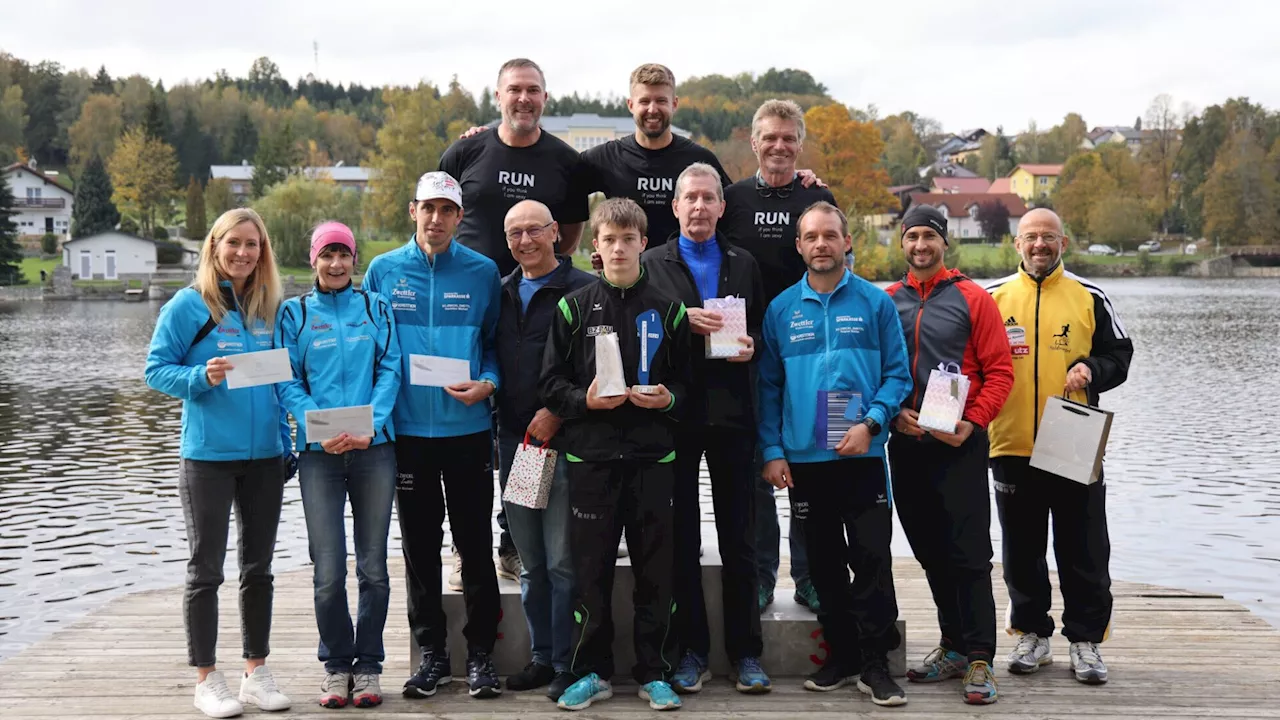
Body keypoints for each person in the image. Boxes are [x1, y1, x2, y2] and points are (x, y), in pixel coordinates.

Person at [440, 57, 594, 582]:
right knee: (469, 425)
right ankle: (469, 546)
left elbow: (570, 230)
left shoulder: (564, 161)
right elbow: (439, 210)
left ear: (544, 98)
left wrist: (539, 266)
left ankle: (519, 542)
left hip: (535, 302)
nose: (523, 99)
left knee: (528, 412)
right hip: (469, 307)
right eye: (514, 90)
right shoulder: (467, 149)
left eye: (533, 91)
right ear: (498, 96)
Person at [757, 201, 911, 707]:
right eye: (811, 236)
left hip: (862, 456)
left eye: (830, 235)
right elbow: (768, 388)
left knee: (870, 560)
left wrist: (871, 424)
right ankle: (841, 657)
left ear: (847, 242)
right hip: (805, 460)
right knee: (822, 565)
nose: (821, 244)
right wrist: (774, 451)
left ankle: (875, 664)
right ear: (799, 246)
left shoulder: (875, 303)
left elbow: (898, 376)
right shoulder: (780, 311)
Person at [539, 197, 690, 711]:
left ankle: (655, 672)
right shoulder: (574, 308)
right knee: (591, 572)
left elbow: (691, 387)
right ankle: (592, 671)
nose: (620, 248)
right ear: (596, 248)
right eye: (610, 240)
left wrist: (668, 397)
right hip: (592, 461)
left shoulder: (669, 310)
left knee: (656, 572)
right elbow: (551, 384)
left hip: (653, 461)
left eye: (629, 239)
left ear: (644, 243)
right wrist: (585, 400)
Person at [143, 207, 293, 719]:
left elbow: (280, 383)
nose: (243, 253)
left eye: (253, 244)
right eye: (234, 243)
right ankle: (207, 679)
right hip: (207, 457)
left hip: (266, 459)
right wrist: (197, 379)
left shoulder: (270, 307)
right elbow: (155, 370)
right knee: (205, 570)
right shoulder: (190, 305)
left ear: (263, 252)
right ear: (214, 246)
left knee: (259, 569)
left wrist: (288, 441)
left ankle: (256, 671)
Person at [362, 171, 504, 700]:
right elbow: (372, 352)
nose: (437, 219)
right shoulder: (382, 271)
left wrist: (488, 383)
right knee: (420, 550)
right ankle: (433, 656)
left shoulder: (483, 272)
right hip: (407, 437)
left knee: (475, 545)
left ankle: (482, 655)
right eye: (429, 209)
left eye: (448, 211)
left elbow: (494, 346)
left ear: (460, 217)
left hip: (467, 430)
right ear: (412, 210)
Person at [985, 208, 1133, 685]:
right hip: (1010, 442)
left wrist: (1092, 369)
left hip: (1073, 440)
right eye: (1031, 237)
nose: (1039, 245)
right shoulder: (992, 298)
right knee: (1021, 548)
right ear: (1017, 244)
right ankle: (1033, 633)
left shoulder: (1090, 296)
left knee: (1084, 546)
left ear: (1063, 243)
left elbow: (1121, 355)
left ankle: (1085, 640)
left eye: (1048, 237)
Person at [640, 162, 770, 694]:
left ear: (721, 207)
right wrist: (679, 319)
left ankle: (747, 654)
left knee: (741, 538)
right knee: (682, 539)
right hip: (676, 417)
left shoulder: (743, 263)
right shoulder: (651, 263)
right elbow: (637, 334)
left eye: (708, 199)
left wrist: (754, 345)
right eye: (689, 198)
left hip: (734, 415)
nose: (698, 207)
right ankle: (691, 651)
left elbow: (760, 326)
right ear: (675, 207)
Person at [884, 205, 1014, 705]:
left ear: (944, 244)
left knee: (969, 554)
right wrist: (895, 413)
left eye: (929, 237)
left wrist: (974, 421)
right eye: (912, 236)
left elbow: (1000, 371)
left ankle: (980, 657)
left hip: (959, 442)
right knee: (930, 552)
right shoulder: (888, 300)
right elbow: (878, 371)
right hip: (908, 440)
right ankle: (954, 646)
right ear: (902, 244)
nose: (921, 245)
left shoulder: (972, 298)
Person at [276, 222, 402, 709]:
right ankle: (336, 666)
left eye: (343, 255)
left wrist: (372, 424)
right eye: (326, 255)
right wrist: (318, 427)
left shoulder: (377, 308)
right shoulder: (295, 313)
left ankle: (368, 665)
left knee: (373, 566)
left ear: (354, 260)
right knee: (328, 568)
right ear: (313, 260)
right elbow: (286, 378)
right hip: (319, 455)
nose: (335, 264)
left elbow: (391, 368)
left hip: (375, 448)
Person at [718, 99, 837, 614]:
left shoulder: (817, 194)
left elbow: (831, 263)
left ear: (800, 144)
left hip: (806, 349)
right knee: (756, 471)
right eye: (771, 137)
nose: (780, 146)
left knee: (810, 465)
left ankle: (809, 576)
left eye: (789, 138)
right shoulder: (733, 198)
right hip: (747, 350)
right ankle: (763, 576)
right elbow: (713, 267)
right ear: (754, 142)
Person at [494, 200, 594, 700]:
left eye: (535, 230)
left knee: (560, 563)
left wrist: (560, 411)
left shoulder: (582, 290)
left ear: (556, 232)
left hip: (565, 442)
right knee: (531, 563)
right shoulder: (503, 292)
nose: (525, 240)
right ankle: (540, 656)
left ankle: (566, 661)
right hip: (514, 445)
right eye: (515, 233)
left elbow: (597, 367)